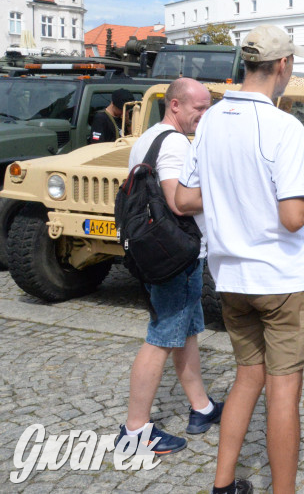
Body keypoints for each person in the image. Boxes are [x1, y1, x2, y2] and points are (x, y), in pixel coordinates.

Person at [177, 24, 304, 494]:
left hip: (229, 277)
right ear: (283, 66)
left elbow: (184, 198)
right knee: (283, 394)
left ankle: (223, 485)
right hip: (280, 279)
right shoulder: (283, 126)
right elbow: (290, 217)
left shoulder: (211, 120)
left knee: (246, 380)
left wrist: (233, 192)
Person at [118, 78, 216, 456]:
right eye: (199, 107)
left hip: (164, 252)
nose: (203, 115)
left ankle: (201, 407)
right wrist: (227, 190)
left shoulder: (149, 137)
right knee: (161, 338)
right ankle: (135, 429)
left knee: (185, 332)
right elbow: (179, 202)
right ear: (174, 105)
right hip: (178, 254)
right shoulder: (175, 143)